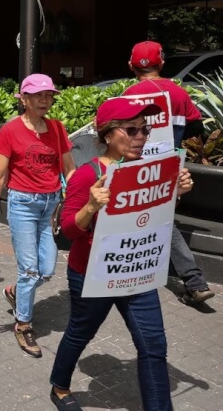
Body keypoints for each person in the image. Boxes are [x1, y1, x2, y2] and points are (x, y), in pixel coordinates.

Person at [49, 97, 193, 411]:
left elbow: (155, 216)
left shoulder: (150, 170)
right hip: (92, 275)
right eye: (131, 130)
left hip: (137, 271)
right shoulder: (88, 175)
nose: (141, 136)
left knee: (153, 346)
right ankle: (59, 386)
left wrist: (175, 192)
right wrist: (91, 206)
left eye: (145, 129)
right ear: (108, 135)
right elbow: (68, 230)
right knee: (79, 332)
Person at [0, 73, 76, 358]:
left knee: (48, 269)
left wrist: (81, 196)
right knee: (30, 269)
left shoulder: (56, 129)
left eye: (49, 95)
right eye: (38, 95)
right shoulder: (10, 131)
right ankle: (24, 324)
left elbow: (70, 169)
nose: (45, 100)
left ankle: (16, 292)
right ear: (24, 98)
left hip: (50, 206)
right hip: (23, 206)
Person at [123, 40, 213, 306]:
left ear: (131, 65)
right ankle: (190, 281)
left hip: (135, 169)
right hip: (169, 168)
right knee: (159, 220)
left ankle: (195, 282)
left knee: (155, 222)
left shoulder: (129, 94)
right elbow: (196, 128)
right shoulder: (178, 93)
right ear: (161, 62)